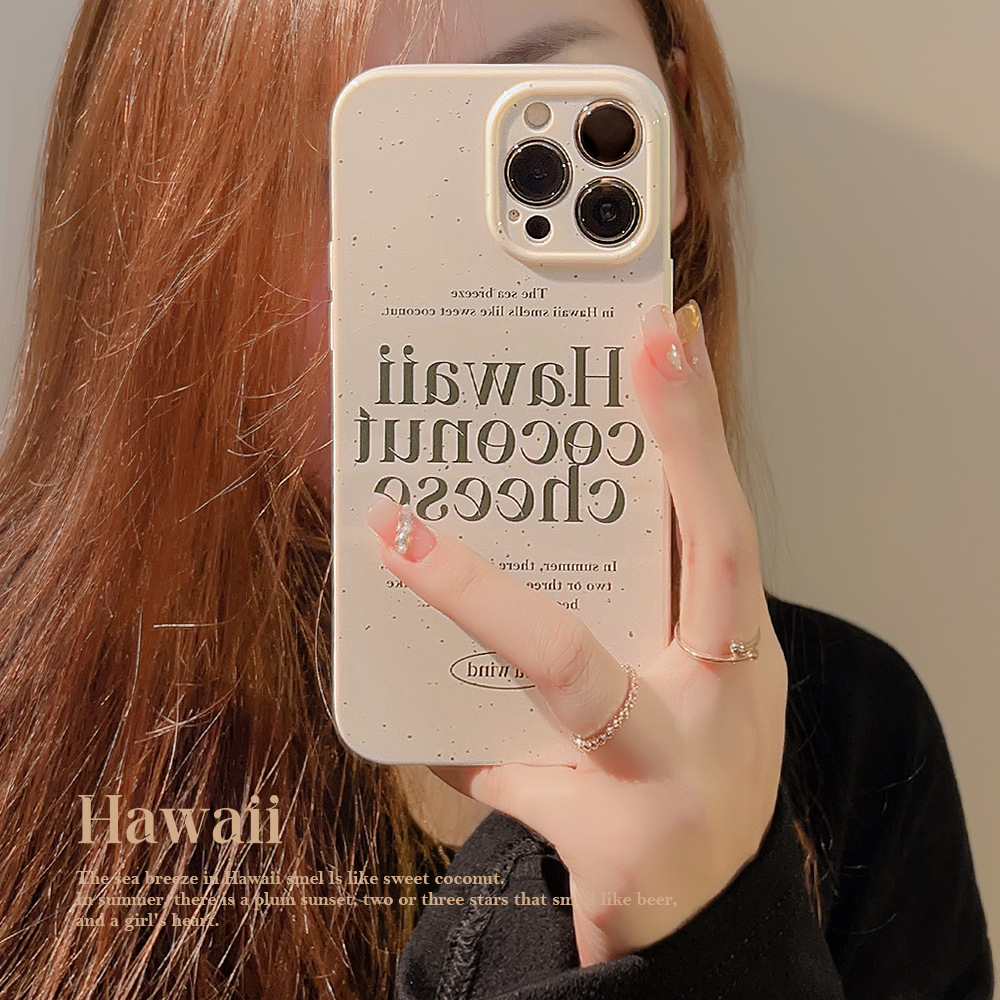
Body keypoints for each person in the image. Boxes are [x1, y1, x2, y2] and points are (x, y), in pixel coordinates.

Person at [0, 3, 990, 1000]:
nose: (444, 272)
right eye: (348, 165)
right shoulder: (34, 730)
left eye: (547, 139)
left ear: (675, 152)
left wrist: (709, 936)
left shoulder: (861, 745)